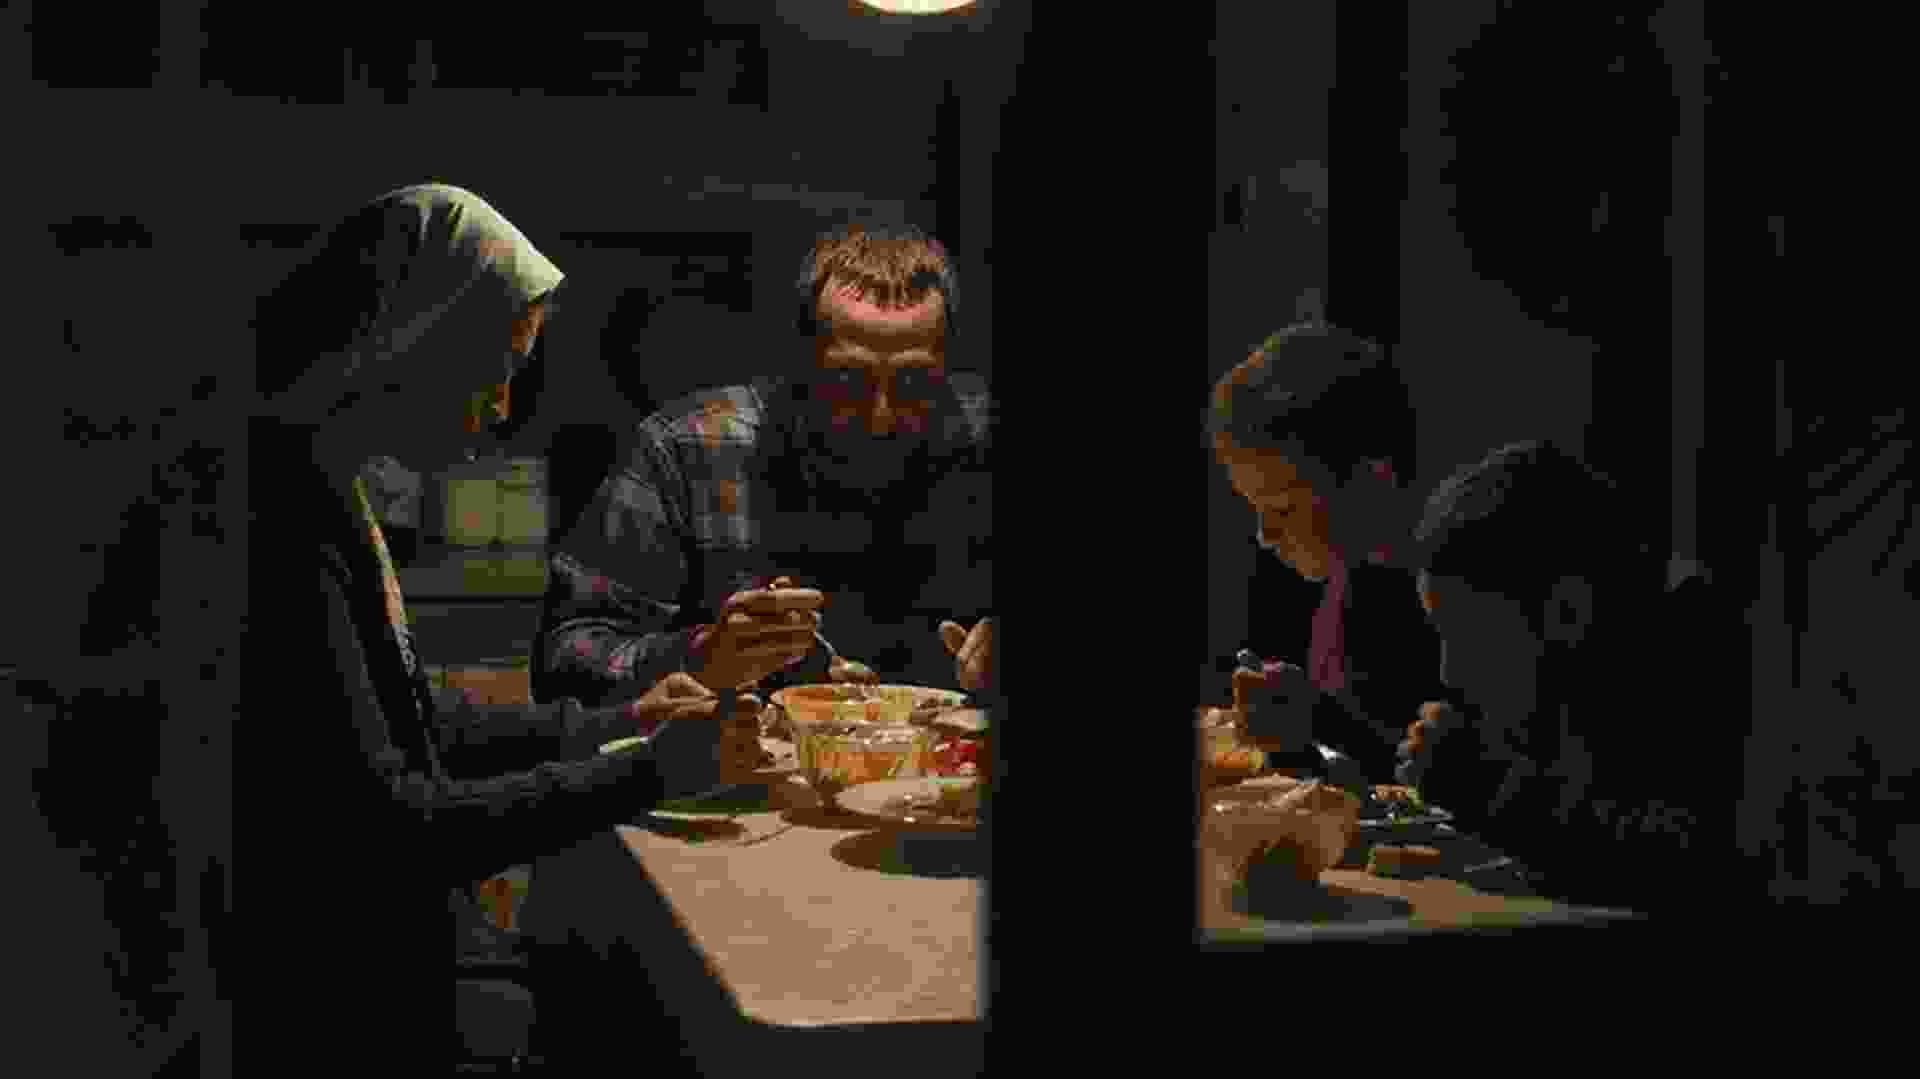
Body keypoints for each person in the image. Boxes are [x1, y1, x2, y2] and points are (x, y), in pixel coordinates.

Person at [243, 184, 769, 1068]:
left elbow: (414, 722)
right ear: (415, 341)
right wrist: (650, 769)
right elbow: (394, 827)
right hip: (326, 1014)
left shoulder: (327, 482)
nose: (501, 406)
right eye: (500, 366)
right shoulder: (288, 521)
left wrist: (617, 723)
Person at [532, 220, 996, 712]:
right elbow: (564, 660)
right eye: (847, 382)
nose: (880, 416)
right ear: (798, 362)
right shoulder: (690, 449)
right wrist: (699, 656)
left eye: (914, 384)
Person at [1395, 440, 1767, 916]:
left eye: (1473, 635)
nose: (1450, 673)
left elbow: (1687, 864)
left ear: (1567, 610)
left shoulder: (1699, 658)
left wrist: (1491, 789)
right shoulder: (1566, 677)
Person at [1202, 321, 1443, 781]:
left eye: (1281, 507)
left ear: (1372, 479)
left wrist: (1316, 721)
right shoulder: (1341, 580)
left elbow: (1431, 780)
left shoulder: (1444, 603)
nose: (1265, 535)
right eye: (1256, 509)